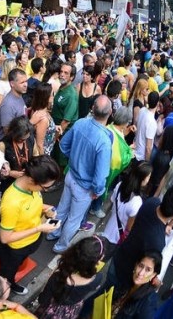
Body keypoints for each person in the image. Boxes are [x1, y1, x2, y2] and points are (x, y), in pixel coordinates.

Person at [48, 96, 112, 252]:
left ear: (92, 109)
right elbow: (100, 174)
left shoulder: (80, 123)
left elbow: (63, 145)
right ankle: (61, 245)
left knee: (61, 209)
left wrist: (74, 157)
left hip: (71, 176)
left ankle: (51, 233)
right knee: (74, 219)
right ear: (110, 113)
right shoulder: (104, 141)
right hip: (85, 187)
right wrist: (97, 191)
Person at [109, 181, 173, 296]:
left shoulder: (151, 202)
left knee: (101, 293)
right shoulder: (158, 242)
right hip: (126, 276)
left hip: (119, 257)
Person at [0, 155, 60, 296]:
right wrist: (39, 228)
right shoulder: (11, 202)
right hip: (15, 248)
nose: (44, 191)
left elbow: (31, 205)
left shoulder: (32, 189)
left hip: (31, 240)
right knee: (8, 272)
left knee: (19, 264)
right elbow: (5, 238)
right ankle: (9, 285)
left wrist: (45, 208)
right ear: (32, 180)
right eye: (45, 188)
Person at [35, 236, 105, 317]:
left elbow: (43, 299)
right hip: (72, 311)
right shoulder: (97, 278)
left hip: (50, 310)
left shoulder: (57, 277)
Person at [103, 162, 151, 246]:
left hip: (108, 228)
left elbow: (112, 201)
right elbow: (129, 227)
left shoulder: (119, 185)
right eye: (149, 176)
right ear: (142, 178)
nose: (149, 179)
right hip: (117, 238)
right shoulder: (137, 201)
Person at [112, 250, 163, 319]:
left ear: (153, 275)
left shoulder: (148, 303)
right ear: (136, 265)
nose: (141, 273)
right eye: (140, 266)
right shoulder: (126, 281)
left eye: (148, 270)